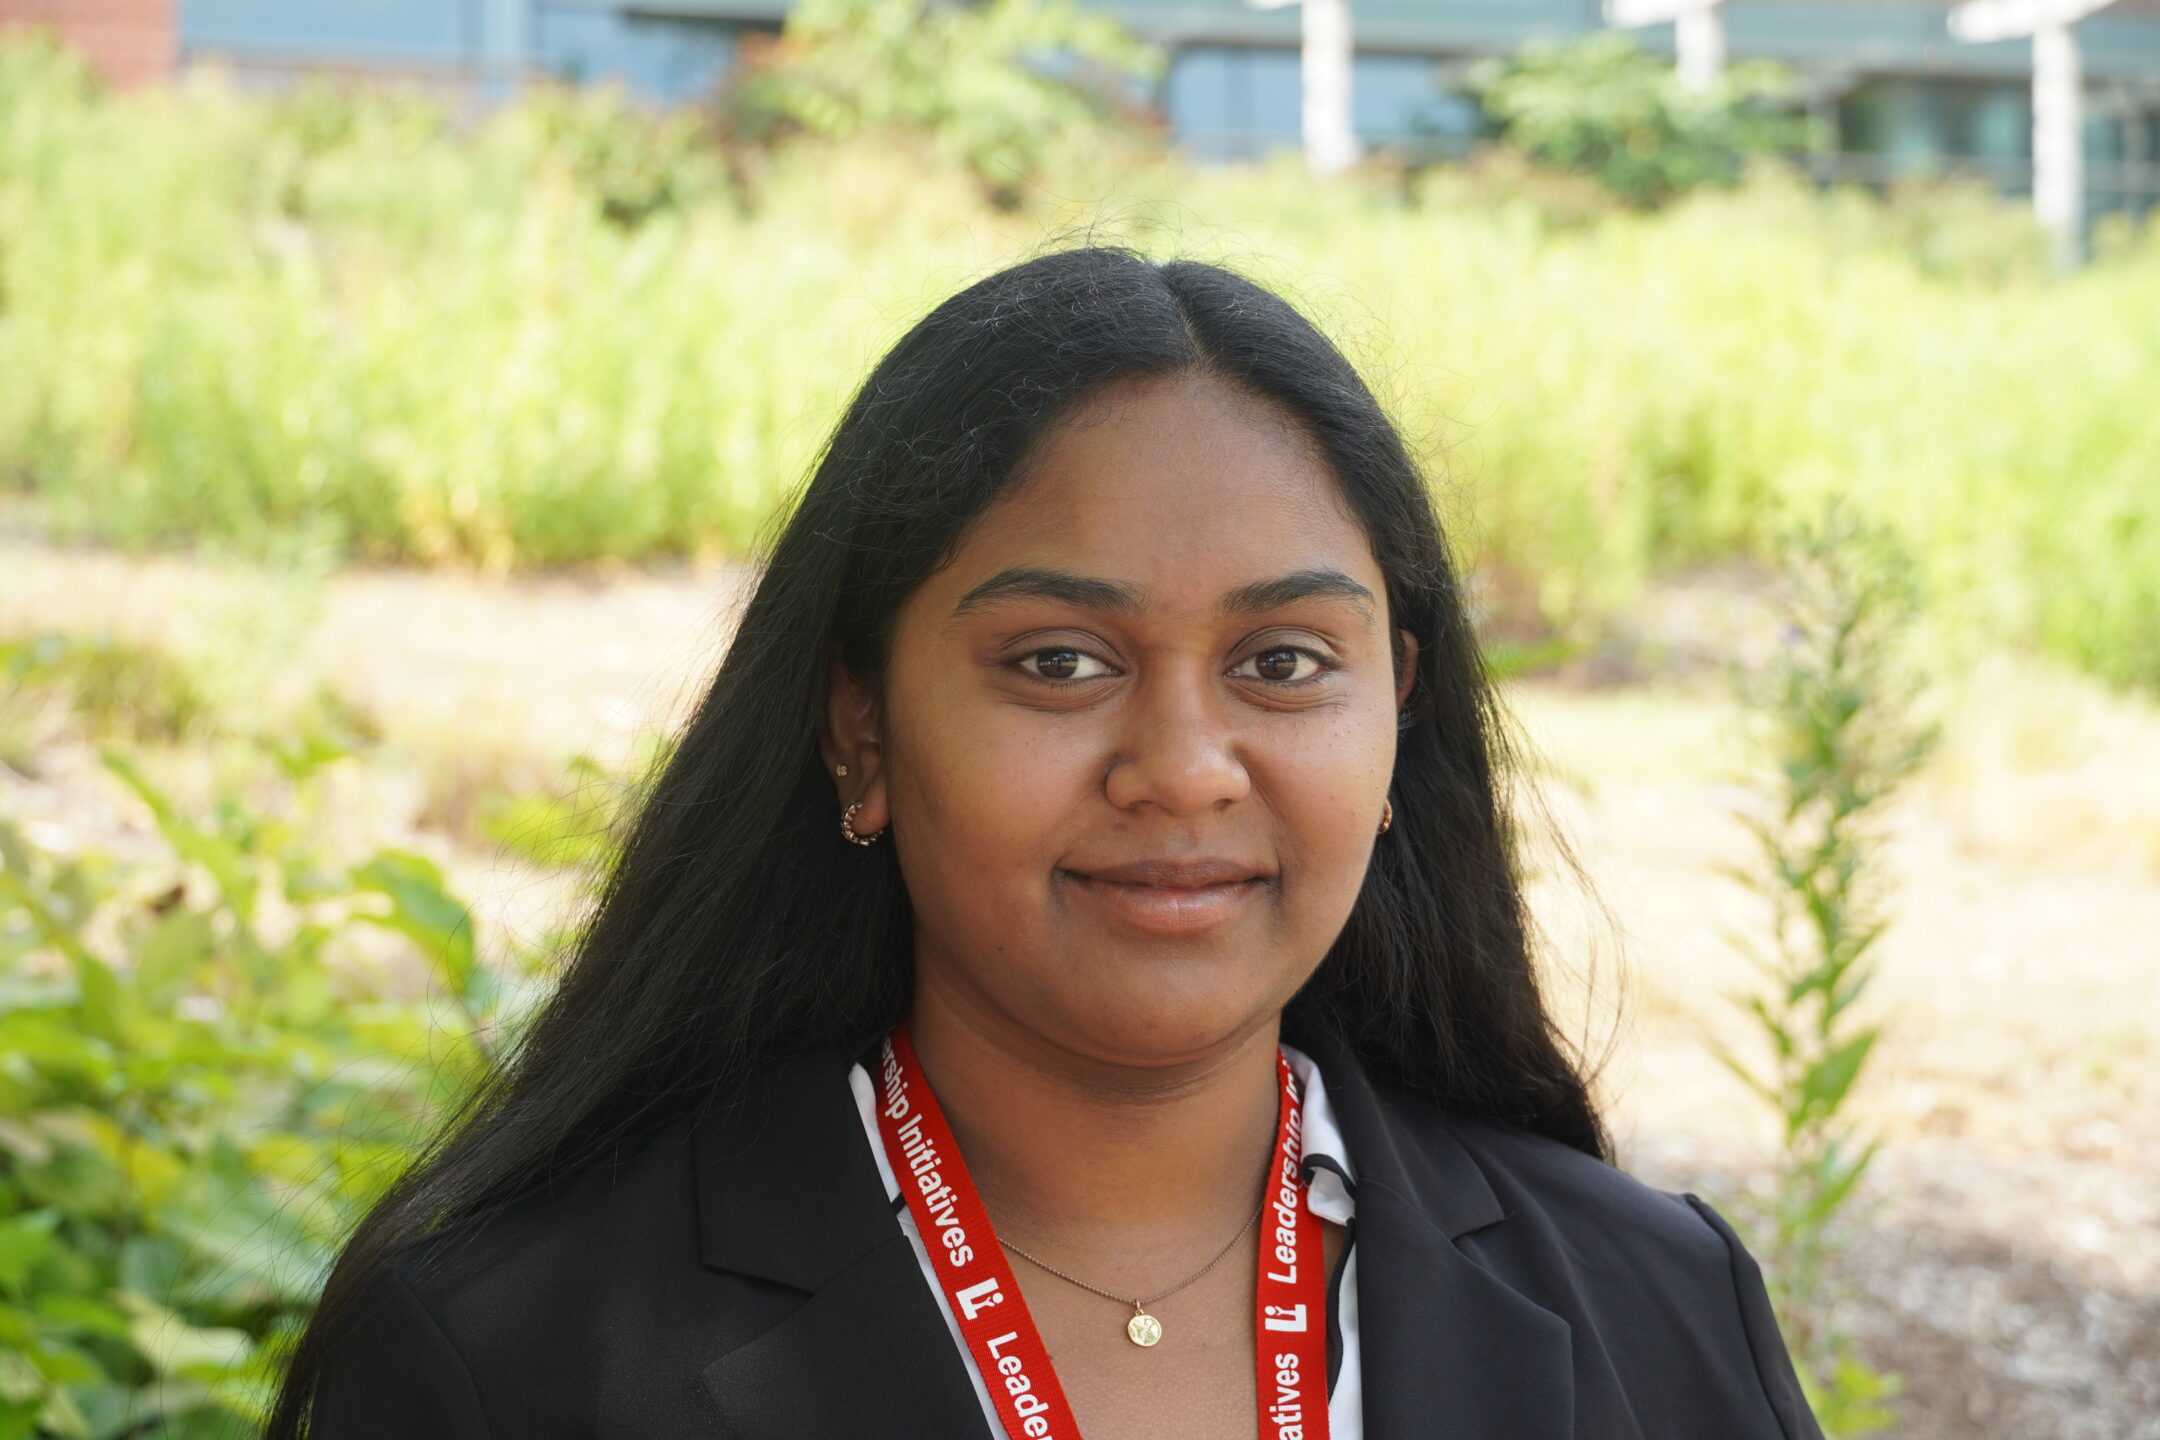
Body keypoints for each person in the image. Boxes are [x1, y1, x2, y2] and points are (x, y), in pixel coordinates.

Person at [269, 245, 1824, 1440]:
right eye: (1060, 662)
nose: (1183, 770)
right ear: (861, 728)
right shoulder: (513, 1356)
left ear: (1397, 717)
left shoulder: (1657, 1309)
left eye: (1284, 661)